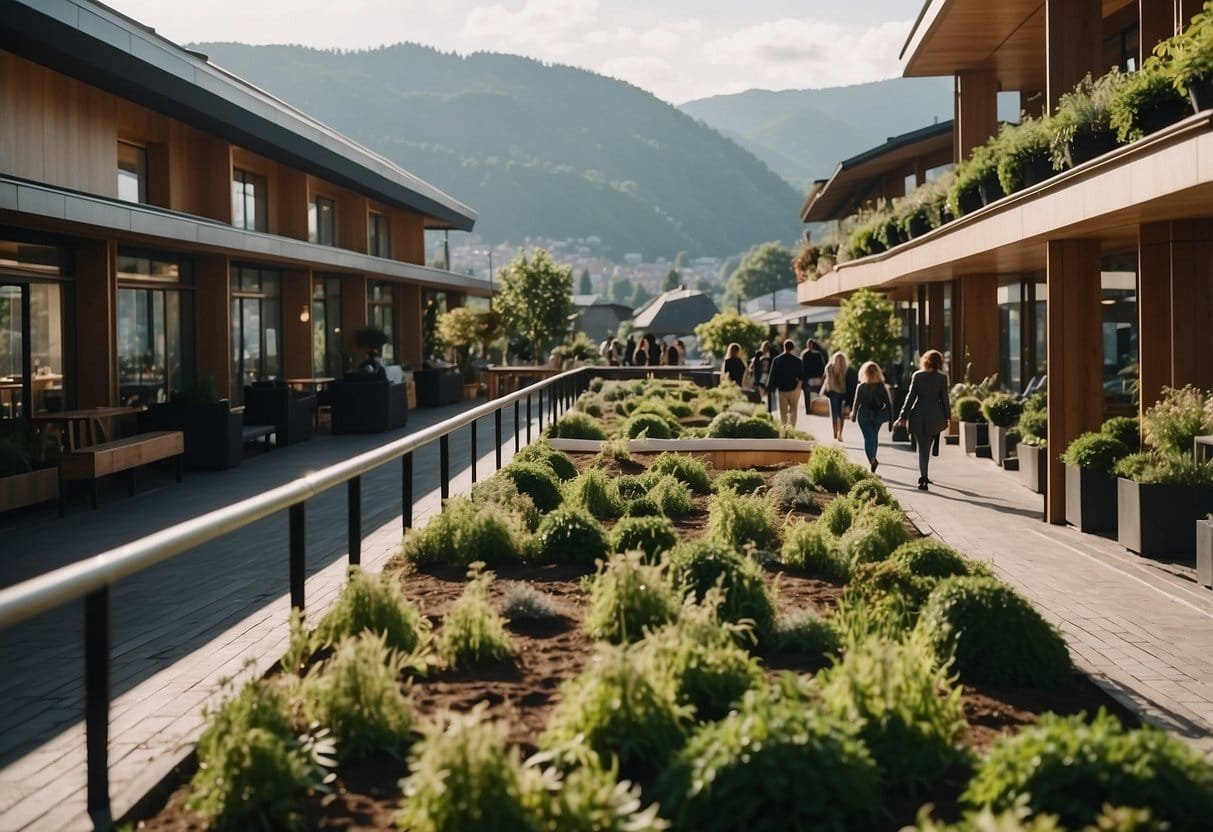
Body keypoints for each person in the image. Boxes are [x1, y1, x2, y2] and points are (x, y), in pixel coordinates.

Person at [895, 349, 951, 490]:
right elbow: (945, 399)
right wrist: (947, 417)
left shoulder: (918, 376)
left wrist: (903, 415)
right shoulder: (942, 378)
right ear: (940, 362)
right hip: (935, 416)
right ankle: (924, 476)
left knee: (922, 449)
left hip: (918, 415)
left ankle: (923, 476)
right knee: (927, 448)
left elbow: (910, 397)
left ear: (925, 361)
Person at [851, 361, 893, 472]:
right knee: (872, 438)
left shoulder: (865, 386)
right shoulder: (880, 387)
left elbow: (857, 403)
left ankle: (872, 460)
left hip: (867, 415)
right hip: (872, 416)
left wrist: (854, 414)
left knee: (870, 438)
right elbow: (889, 405)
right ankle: (872, 460)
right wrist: (891, 421)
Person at [769, 339, 803, 427]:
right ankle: (792, 428)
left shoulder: (777, 360)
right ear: (793, 348)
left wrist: (771, 388)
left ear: (784, 347)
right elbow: (802, 376)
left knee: (783, 411)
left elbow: (773, 375)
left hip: (782, 389)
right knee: (793, 409)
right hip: (794, 388)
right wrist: (799, 387)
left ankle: (784, 428)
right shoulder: (797, 360)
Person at [821, 351, 849, 441]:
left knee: (834, 413)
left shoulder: (829, 367)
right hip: (843, 392)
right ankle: (840, 434)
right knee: (841, 414)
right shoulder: (846, 368)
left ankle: (835, 433)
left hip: (833, 392)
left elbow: (828, 380)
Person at [800, 338, 826, 415]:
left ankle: (813, 408)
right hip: (810, 378)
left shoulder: (810, 354)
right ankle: (809, 409)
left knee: (811, 394)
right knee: (809, 394)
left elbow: (821, 366)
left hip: (813, 377)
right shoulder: (817, 354)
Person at [752, 340, 774, 409]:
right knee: (761, 390)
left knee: (767, 392)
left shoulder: (771, 354)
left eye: (768, 346)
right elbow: (755, 365)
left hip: (768, 375)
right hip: (761, 375)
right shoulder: (759, 354)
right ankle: (761, 405)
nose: (766, 348)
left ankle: (768, 408)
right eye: (765, 346)